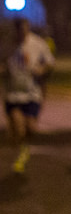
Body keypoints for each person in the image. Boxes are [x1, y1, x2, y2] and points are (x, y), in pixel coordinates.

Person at [2, 19, 55, 173]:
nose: (21, 34)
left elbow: (50, 62)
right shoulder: (6, 46)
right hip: (13, 95)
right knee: (19, 127)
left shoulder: (37, 44)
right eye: (19, 31)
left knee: (31, 128)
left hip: (32, 93)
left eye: (24, 30)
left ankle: (22, 146)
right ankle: (20, 152)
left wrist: (42, 69)